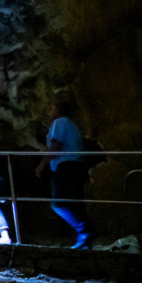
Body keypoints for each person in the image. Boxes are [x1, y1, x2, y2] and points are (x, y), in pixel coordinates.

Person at [35, 101, 92, 249]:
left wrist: (41, 165)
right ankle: (85, 239)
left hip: (67, 166)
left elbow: (56, 145)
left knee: (58, 203)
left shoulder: (60, 122)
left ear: (59, 110)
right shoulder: (72, 124)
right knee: (74, 202)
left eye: (52, 109)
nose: (50, 113)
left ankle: (85, 231)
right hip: (78, 165)